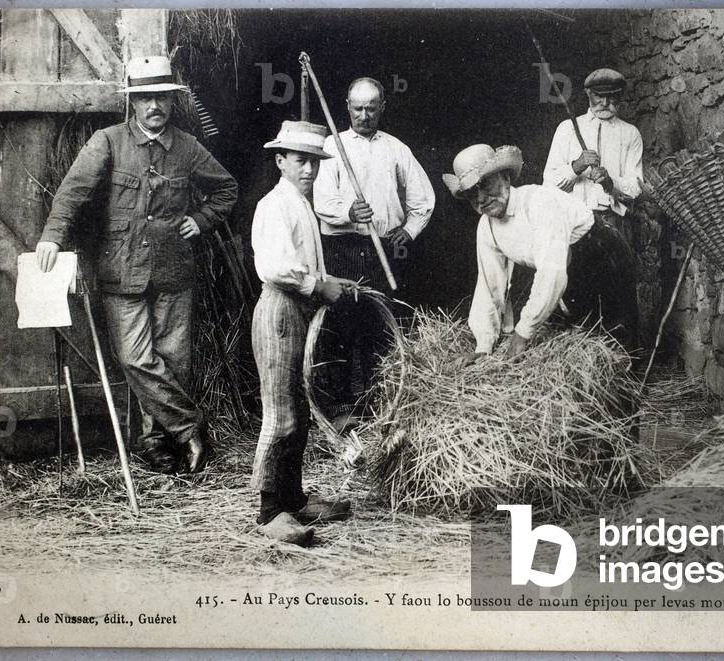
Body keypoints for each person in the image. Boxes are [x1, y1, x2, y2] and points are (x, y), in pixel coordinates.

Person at [36, 55, 237, 474]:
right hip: (121, 271)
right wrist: (52, 236)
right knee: (135, 358)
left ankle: (155, 443)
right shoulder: (107, 142)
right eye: (145, 98)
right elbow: (72, 194)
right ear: (133, 102)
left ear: (171, 100)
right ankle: (191, 429)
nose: (154, 107)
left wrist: (199, 221)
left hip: (174, 272)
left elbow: (226, 190)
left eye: (161, 97)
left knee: (173, 361)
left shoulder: (187, 147)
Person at [250, 121, 359, 545]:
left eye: (314, 161)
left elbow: (300, 263)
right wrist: (317, 285)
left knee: (298, 409)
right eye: (300, 160)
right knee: (281, 413)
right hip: (280, 310)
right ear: (281, 161)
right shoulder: (273, 205)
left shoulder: (299, 204)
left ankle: (293, 499)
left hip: (298, 310)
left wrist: (332, 281)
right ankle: (269, 511)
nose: (309, 169)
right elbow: (275, 267)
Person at [443, 144, 639, 364]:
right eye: (471, 195)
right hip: (568, 267)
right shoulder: (486, 226)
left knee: (615, 344)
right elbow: (489, 285)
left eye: (485, 185)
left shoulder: (539, 203)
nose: (480, 199)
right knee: (581, 339)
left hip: (601, 254)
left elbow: (551, 274)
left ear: (506, 177)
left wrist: (522, 334)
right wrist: (484, 346)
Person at [312, 77, 435, 425]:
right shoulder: (330, 147)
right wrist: (348, 212)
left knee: (379, 326)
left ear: (383, 107)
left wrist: (409, 231)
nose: (364, 115)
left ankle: (377, 402)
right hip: (342, 247)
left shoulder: (396, 148)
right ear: (347, 107)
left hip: (383, 248)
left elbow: (423, 199)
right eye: (357, 108)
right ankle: (341, 408)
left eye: (371, 108)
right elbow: (322, 201)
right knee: (339, 325)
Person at [542, 68, 644, 248]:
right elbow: (548, 184)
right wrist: (576, 167)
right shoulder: (568, 129)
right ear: (588, 94)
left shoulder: (630, 134)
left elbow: (636, 188)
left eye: (612, 96)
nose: (605, 102)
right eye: (599, 95)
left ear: (620, 96)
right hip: (572, 223)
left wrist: (611, 184)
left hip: (613, 224)